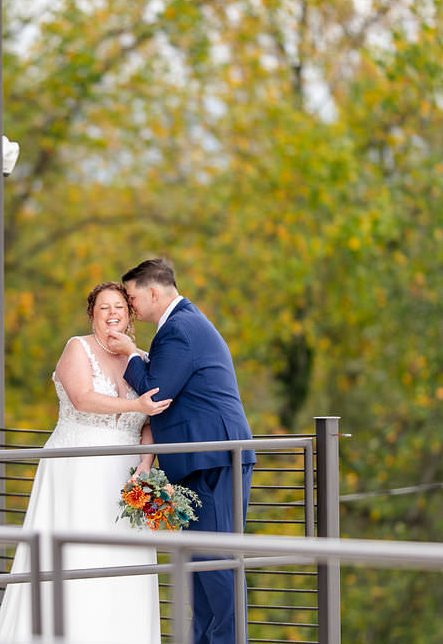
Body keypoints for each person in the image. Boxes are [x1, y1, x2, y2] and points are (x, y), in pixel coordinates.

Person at [0, 282, 170, 643]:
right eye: (104, 308)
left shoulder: (144, 360)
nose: (112, 314)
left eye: (119, 306)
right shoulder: (78, 348)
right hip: (79, 466)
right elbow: (83, 398)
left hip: (127, 476)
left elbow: (151, 422)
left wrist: (145, 466)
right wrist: (137, 405)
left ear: (130, 314)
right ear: (92, 315)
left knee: (123, 561)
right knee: (81, 555)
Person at [105, 258, 257, 644]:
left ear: (153, 292)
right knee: (199, 564)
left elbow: (157, 394)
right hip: (202, 458)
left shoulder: (178, 329)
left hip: (214, 457)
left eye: (132, 296)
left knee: (215, 562)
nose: (130, 305)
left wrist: (131, 353)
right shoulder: (183, 324)